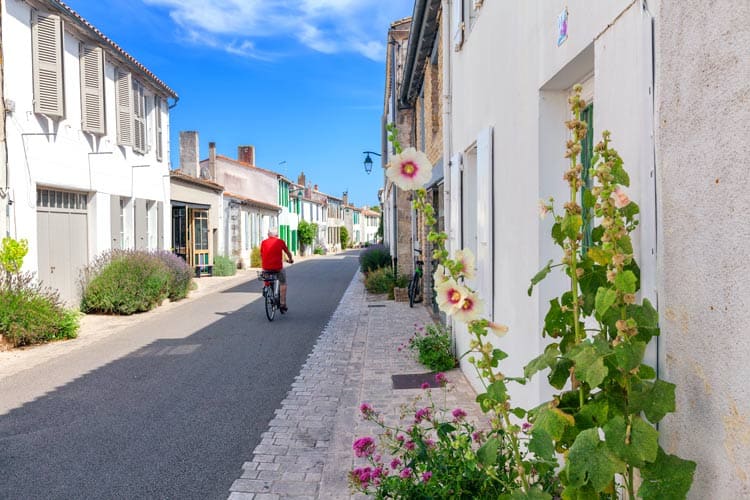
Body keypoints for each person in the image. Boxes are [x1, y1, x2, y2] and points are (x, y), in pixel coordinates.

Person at [260, 228, 294, 313]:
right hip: (278, 268)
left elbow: (261, 254)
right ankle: (282, 303)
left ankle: (266, 287)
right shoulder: (280, 242)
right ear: (277, 235)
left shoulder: (263, 242)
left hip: (266, 267)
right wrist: (290, 259)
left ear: (268, 235)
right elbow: (287, 252)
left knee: (265, 274)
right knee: (283, 283)